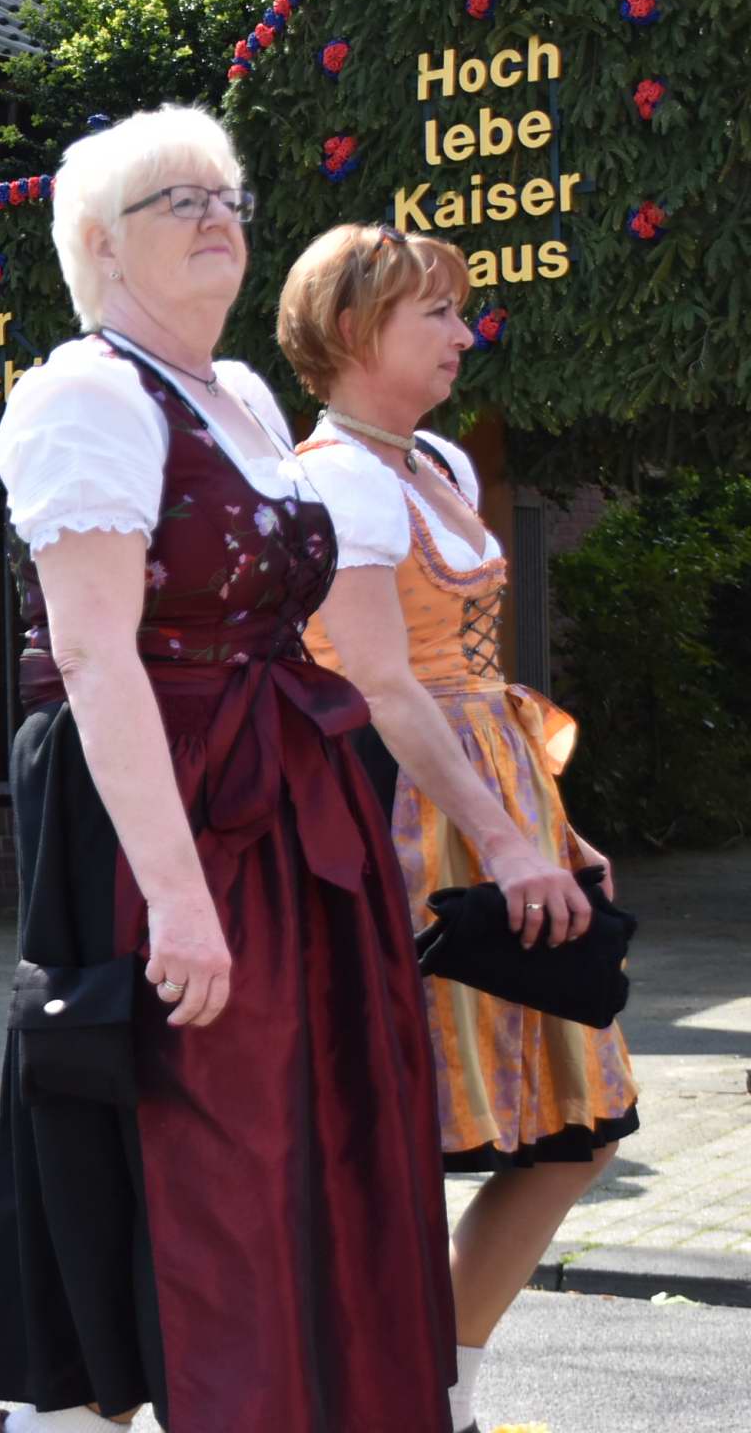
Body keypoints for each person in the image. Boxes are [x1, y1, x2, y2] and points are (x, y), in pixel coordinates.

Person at [0, 109, 455, 1433]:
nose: (215, 217)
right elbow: (92, 655)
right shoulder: (83, 396)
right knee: (206, 1140)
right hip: (164, 807)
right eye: (175, 200)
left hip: (280, 796)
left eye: (226, 195)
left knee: (308, 1121)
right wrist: (177, 900)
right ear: (96, 244)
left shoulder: (238, 395)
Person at [280, 223, 638, 1433]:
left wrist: (553, 828)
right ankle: (390, 1396)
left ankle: (439, 1390)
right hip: (398, 817)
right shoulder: (336, 479)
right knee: (403, 1133)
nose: (463, 332)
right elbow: (383, 688)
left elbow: (474, 685)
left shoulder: (435, 459)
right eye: (433, 311)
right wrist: (512, 843)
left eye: (459, 309)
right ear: (350, 328)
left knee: (576, 1126)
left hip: (493, 791)